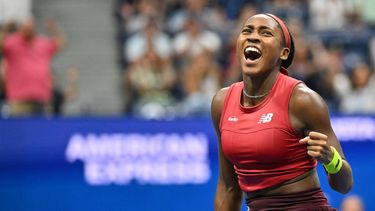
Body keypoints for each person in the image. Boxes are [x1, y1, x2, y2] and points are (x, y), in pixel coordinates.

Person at [211, 13, 353, 210]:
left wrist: (331, 160)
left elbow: (344, 185)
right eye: (247, 30)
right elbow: (228, 187)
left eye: (265, 33)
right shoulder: (222, 102)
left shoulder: (303, 100)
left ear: (283, 53)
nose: (253, 37)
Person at [0, 17, 64, 116]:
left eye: (31, 28)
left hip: (41, 97)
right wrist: (5, 28)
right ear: (20, 29)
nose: (29, 30)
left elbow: (59, 44)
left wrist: (54, 30)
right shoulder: (12, 42)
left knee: (43, 129)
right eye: (26, 28)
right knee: (19, 129)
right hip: (18, 99)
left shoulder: (42, 43)